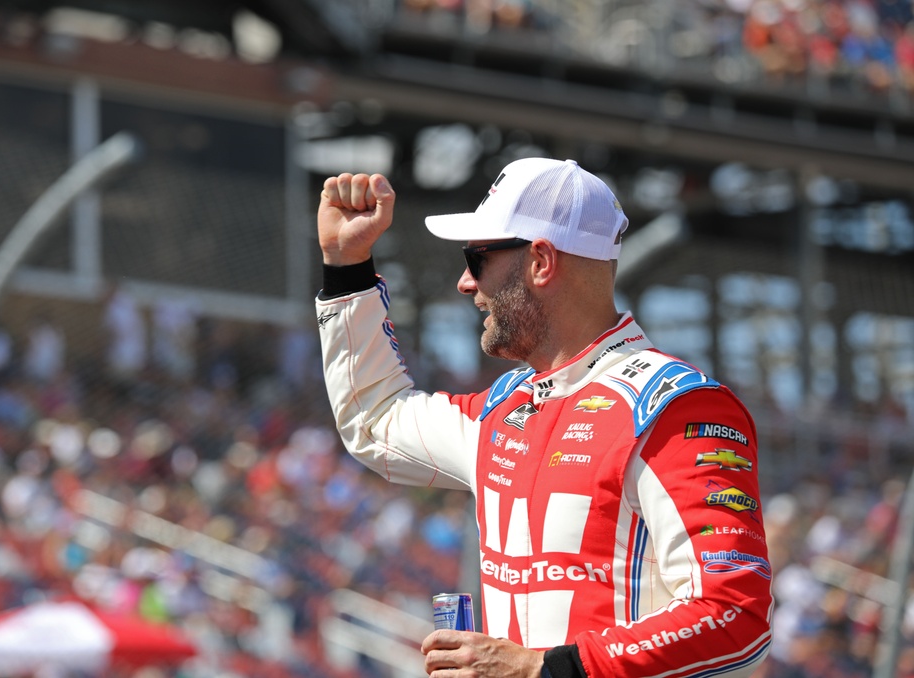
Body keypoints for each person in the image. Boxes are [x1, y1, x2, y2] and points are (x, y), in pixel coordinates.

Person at [315, 157, 772, 677]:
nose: (465, 283)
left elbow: (735, 613)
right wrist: (347, 266)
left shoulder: (676, 407)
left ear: (540, 262)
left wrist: (542, 670)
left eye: (477, 257)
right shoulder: (504, 407)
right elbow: (376, 422)